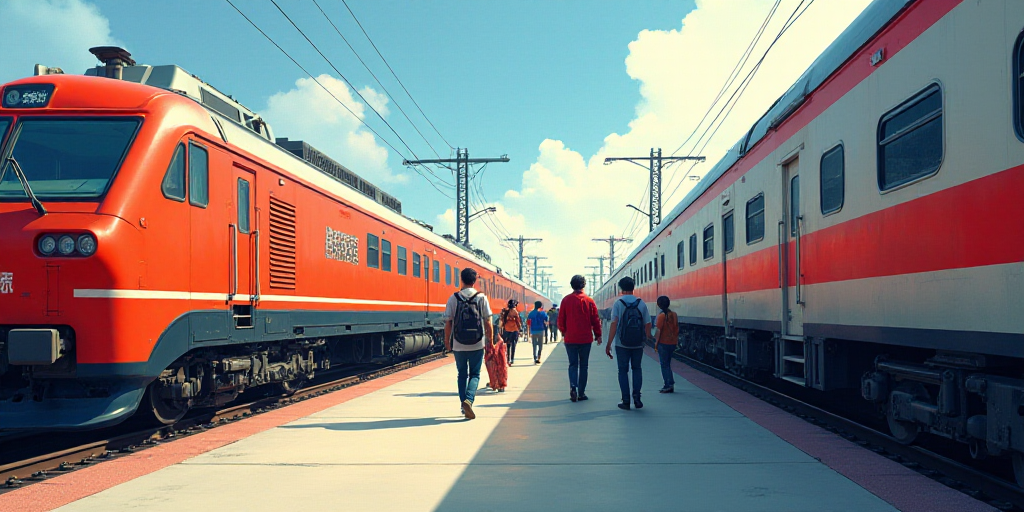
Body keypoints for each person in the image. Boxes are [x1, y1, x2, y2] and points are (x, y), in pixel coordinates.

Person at [444, 268, 494, 420]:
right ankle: (469, 400)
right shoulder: (481, 298)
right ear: (475, 281)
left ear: (462, 279)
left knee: (461, 375)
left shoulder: (454, 298)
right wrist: (490, 340)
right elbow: (488, 321)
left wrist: (447, 341)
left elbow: (448, 322)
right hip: (477, 342)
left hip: (459, 342)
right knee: (475, 374)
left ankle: (462, 404)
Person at [606, 276, 651, 410]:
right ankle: (637, 398)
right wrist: (646, 338)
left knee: (623, 371)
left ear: (621, 288)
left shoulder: (618, 303)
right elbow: (647, 323)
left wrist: (609, 344)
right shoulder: (641, 303)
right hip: (638, 343)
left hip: (621, 344)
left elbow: (614, 324)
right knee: (637, 369)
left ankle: (626, 401)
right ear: (633, 287)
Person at [558, 275, 602, 402]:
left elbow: (561, 320)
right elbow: (595, 320)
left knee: (572, 364)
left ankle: (573, 386)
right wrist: (598, 335)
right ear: (584, 285)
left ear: (572, 285)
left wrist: (564, 332)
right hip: (585, 339)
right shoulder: (589, 301)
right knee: (584, 366)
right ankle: (581, 393)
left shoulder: (566, 300)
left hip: (570, 339)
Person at [654, 295, 679, 393]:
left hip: (663, 343)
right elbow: (677, 329)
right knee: (668, 363)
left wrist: (656, 343)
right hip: (672, 342)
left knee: (664, 365)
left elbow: (659, 331)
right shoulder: (674, 314)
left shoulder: (661, 316)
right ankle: (671, 382)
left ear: (659, 305)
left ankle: (668, 384)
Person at [499, 300, 523, 366]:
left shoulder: (505, 311)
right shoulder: (515, 311)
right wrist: (520, 329)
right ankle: (512, 359)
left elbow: (502, 321)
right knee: (513, 345)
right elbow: (518, 321)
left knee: (507, 345)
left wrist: (501, 329)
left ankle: (507, 358)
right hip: (514, 330)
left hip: (506, 330)